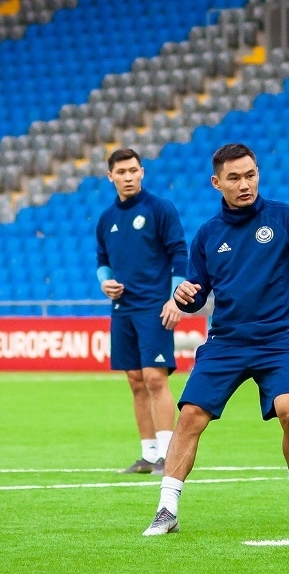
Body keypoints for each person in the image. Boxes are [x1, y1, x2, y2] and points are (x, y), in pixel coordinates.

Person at [142, 143, 289, 536]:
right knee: (190, 416)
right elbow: (198, 291)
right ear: (217, 183)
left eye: (250, 175)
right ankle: (167, 509)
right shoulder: (208, 234)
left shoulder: (286, 219)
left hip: (277, 342)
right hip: (225, 342)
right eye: (233, 178)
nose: (244, 184)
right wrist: (185, 295)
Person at [95, 148, 188, 476]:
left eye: (133, 170)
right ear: (110, 176)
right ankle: (148, 456)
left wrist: (175, 299)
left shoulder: (159, 208)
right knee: (135, 381)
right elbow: (102, 260)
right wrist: (105, 282)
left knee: (154, 378)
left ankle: (167, 455)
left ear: (142, 172)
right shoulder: (106, 218)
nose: (128, 177)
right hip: (122, 309)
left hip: (154, 306)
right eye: (121, 172)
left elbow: (179, 253)